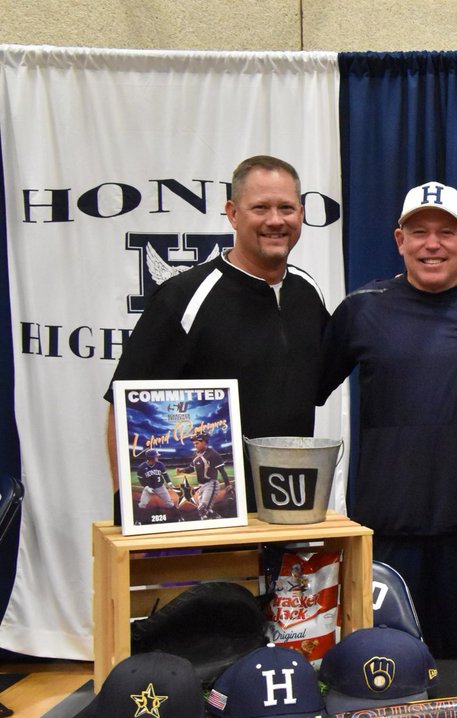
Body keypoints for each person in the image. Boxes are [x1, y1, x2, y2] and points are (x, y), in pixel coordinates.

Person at [319, 180, 457, 660]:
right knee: (386, 667)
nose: (432, 244)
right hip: (388, 529)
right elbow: (301, 391)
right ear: (399, 241)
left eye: (446, 232)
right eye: (418, 232)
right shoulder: (361, 310)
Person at [105, 155, 329, 512]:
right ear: (233, 213)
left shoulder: (307, 292)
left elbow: (317, 383)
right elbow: (125, 405)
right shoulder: (184, 297)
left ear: (301, 213)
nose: (275, 220)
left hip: (287, 510)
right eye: (260, 207)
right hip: (206, 529)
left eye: (286, 208)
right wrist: (130, 512)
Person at [177, 433, 229, 520]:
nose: (195, 445)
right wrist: (183, 470)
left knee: (202, 508)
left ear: (204, 442)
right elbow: (191, 468)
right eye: (194, 444)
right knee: (205, 511)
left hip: (210, 484)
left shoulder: (213, 454)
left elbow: (222, 471)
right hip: (201, 486)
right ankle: (217, 518)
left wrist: (228, 485)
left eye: (197, 443)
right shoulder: (195, 454)